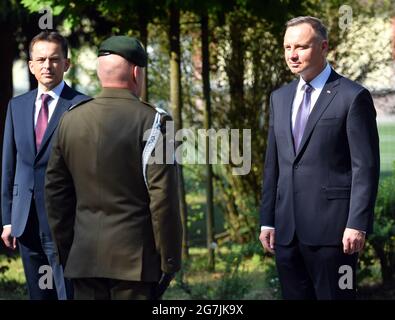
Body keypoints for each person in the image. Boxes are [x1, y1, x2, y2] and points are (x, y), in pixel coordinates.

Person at [44, 35, 183, 300]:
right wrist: (170, 261)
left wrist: (69, 251)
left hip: (84, 261)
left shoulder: (69, 120)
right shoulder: (158, 123)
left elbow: (55, 195)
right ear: (136, 72)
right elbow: (163, 198)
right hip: (135, 266)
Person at [259, 16, 380, 300]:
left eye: (300, 46)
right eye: (287, 46)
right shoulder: (279, 98)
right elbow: (272, 164)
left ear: (323, 47)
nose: (292, 54)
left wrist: (357, 223)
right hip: (287, 234)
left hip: (335, 235)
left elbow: (365, 167)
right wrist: (267, 220)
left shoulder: (353, 97)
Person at [1, 31, 90, 300]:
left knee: (67, 294)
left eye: (54, 59)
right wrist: (6, 219)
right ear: (31, 65)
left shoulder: (83, 106)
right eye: (40, 59)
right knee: (38, 294)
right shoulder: (17, 106)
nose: (46, 66)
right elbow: (9, 165)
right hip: (24, 220)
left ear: (67, 64)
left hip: (66, 222)